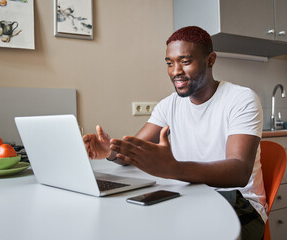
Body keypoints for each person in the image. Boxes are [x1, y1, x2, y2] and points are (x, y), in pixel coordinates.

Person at [83, 26, 266, 239]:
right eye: (170, 63)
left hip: (238, 204)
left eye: (185, 61)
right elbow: (134, 151)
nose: (175, 71)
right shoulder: (168, 106)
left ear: (210, 60)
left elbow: (238, 172)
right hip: (189, 194)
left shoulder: (240, 99)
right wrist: (111, 151)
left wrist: (173, 168)